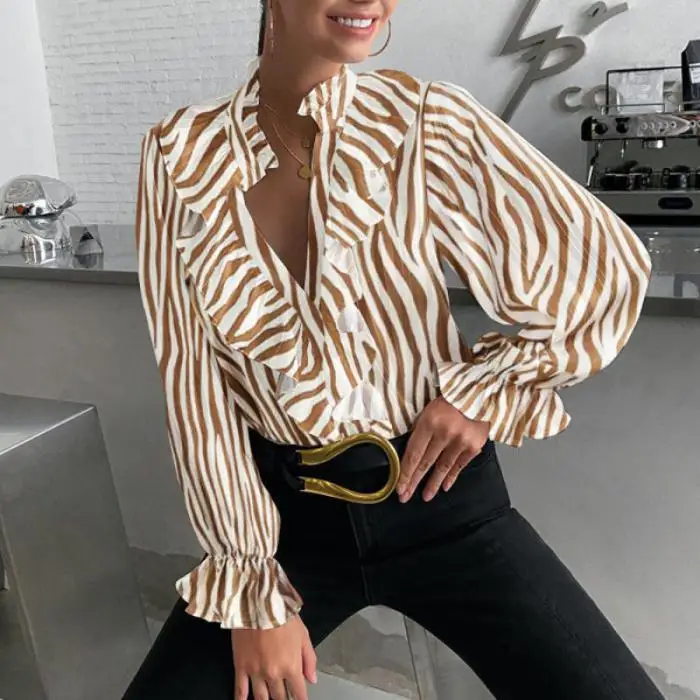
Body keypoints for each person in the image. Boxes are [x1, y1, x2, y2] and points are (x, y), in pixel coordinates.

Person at [125, 1, 662, 698]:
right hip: (283, 528)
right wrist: (252, 589)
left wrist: (482, 393)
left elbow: (602, 268)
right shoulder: (179, 153)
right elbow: (192, 384)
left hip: (443, 502)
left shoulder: (423, 119)